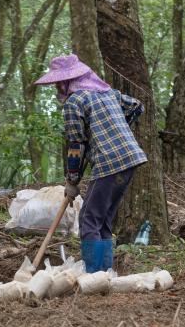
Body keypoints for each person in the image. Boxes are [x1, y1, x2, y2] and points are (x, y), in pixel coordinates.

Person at [34, 53, 146, 273]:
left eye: (59, 82)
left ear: (67, 82)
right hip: (130, 158)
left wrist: (72, 180)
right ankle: (105, 274)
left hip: (109, 162)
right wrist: (116, 128)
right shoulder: (109, 94)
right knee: (102, 220)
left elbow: (76, 145)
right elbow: (137, 106)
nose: (57, 87)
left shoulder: (73, 102)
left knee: (88, 218)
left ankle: (93, 274)